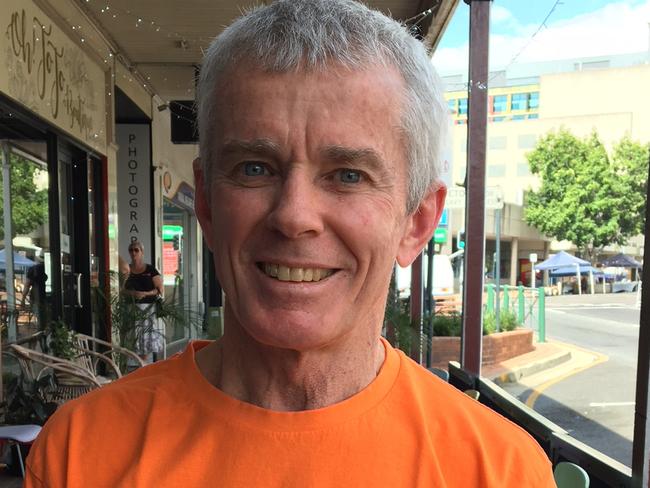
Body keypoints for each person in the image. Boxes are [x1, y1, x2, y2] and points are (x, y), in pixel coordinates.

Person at [25, 1, 555, 486]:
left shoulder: (499, 470)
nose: (294, 216)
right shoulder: (80, 454)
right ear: (207, 205)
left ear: (416, 223)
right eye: (255, 168)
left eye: (348, 175)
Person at [122, 240, 164, 361]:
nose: (133, 253)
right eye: (131, 250)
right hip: (131, 309)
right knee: (132, 337)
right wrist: (133, 293)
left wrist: (145, 294)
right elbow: (120, 289)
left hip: (148, 309)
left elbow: (159, 289)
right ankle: (134, 364)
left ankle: (143, 364)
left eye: (136, 250)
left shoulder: (150, 269)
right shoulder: (127, 270)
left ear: (142, 252)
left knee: (146, 338)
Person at [21, 258, 48, 328]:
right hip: (38, 297)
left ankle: (41, 332)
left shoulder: (34, 269)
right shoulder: (37, 269)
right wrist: (23, 299)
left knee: (41, 319)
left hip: (38, 297)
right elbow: (27, 285)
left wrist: (23, 299)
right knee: (42, 319)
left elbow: (27, 285)